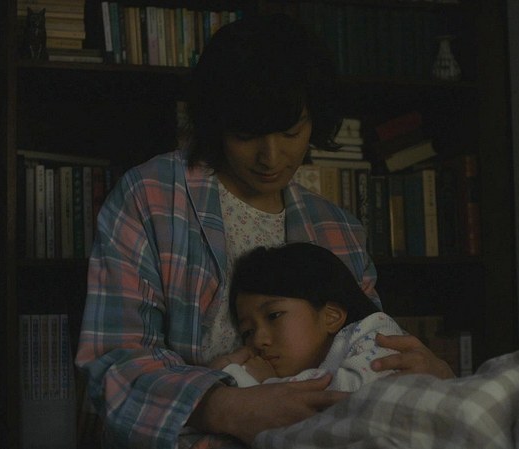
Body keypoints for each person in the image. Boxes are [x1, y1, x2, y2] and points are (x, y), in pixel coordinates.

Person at [75, 12, 454, 449]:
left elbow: (367, 347)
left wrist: (436, 377)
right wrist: (224, 407)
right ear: (217, 125)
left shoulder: (337, 229)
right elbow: (112, 362)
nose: (271, 157)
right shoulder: (152, 196)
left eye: (291, 133)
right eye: (245, 135)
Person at [214, 242, 408, 392]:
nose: (258, 340)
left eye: (274, 316)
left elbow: (351, 394)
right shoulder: (274, 372)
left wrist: (268, 384)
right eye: (247, 332)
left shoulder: (375, 334)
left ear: (331, 316)